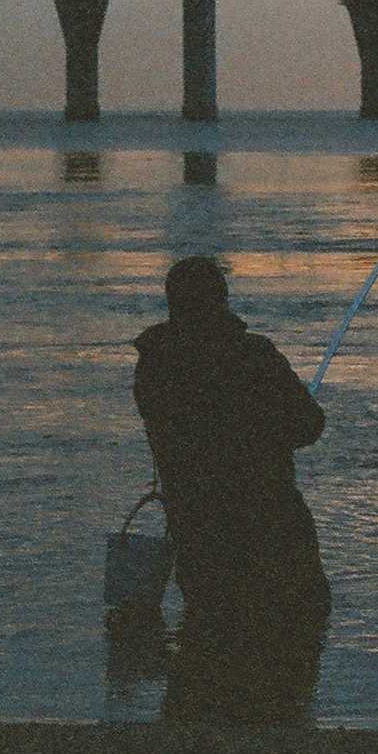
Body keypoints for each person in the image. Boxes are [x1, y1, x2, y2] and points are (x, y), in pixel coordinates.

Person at [133, 256, 331, 626]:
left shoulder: (154, 364)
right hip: (274, 536)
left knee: (206, 654)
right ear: (221, 299)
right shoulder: (253, 356)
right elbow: (309, 423)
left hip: (198, 542)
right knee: (293, 655)